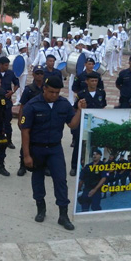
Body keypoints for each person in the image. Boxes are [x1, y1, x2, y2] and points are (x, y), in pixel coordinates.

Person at [21, 76, 86, 230]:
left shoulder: (63, 104)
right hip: (37, 148)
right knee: (37, 179)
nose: (54, 95)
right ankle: (40, 208)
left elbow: (72, 124)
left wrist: (79, 111)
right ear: (44, 88)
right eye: (51, 92)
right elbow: (25, 131)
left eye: (57, 92)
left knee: (60, 180)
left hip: (55, 149)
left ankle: (63, 215)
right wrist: (26, 155)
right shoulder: (32, 105)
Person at [70, 71, 106, 176]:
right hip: (83, 122)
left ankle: (91, 167)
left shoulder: (101, 93)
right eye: (92, 81)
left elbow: (103, 106)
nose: (94, 83)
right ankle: (74, 167)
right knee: (78, 145)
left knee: (94, 145)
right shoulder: (81, 94)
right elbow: (75, 108)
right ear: (87, 81)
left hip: (95, 123)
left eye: (96, 81)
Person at [17, 66, 45, 177]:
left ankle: (45, 166)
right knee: (25, 142)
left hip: (42, 120)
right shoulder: (29, 89)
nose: (39, 76)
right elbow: (22, 106)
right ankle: (22, 165)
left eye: (41, 73)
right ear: (33, 75)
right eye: (37, 73)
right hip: (30, 120)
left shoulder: (46, 88)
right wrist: (20, 120)